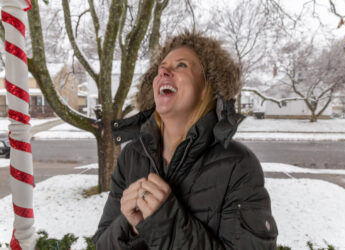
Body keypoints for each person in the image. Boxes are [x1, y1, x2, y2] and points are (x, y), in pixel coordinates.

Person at [92, 31, 278, 250]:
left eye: (181, 65)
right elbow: (102, 244)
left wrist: (164, 221)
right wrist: (129, 226)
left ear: (206, 89)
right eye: (161, 66)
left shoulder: (238, 165)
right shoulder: (131, 156)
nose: (163, 71)